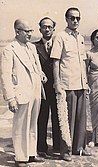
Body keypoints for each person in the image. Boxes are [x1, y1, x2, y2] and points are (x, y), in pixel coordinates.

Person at [0, 19, 46, 167]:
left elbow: (37, 67)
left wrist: (41, 74)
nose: (30, 34)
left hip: (35, 92)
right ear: (17, 31)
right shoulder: (9, 49)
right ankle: (20, 157)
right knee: (20, 126)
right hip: (20, 93)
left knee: (33, 124)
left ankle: (31, 154)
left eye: (31, 31)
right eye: (26, 31)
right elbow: (5, 75)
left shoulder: (32, 47)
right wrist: (10, 98)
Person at [50, 7, 90, 161]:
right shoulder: (60, 36)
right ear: (66, 19)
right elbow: (56, 61)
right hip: (67, 83)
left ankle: (79, 148)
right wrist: (57, 83)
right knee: (67, 119)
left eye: (77, 18)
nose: (75, 21)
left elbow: (83, 62)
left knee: (81, 119)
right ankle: (65, 150)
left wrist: (86, 82)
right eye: (72, 18)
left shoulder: (80, 37)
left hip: (81, 83)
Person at [34, 17, 61, 157]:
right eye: (44, 27)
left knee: (58, 117)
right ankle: (41, 148)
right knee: (42, 117)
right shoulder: (34, 47)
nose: (47, 29)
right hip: (42, 89)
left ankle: (57, 146)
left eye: (50, 27)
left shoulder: (59, 44)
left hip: (57, 87)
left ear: (53, 29)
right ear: (40, 29)